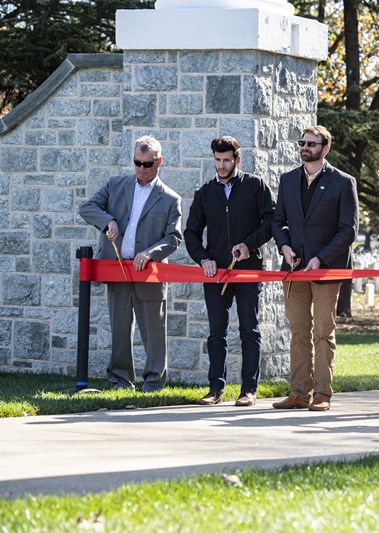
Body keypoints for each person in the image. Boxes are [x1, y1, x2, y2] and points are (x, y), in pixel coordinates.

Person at [79, 136, 182, 392]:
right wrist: (108, 221)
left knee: (154, 332)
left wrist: (150, 253)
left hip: (150, 272)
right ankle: (120, 382)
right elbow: (87, 207)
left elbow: (174, 238)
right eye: (137, 162)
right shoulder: (116, 185)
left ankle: (154, 385)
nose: (141, 168)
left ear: (159, 162)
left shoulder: (170, 198)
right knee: (120, 330)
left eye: (147, 164)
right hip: (117, 269)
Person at [272, 126, 359, 412]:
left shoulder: (343, 183)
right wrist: (284, 247)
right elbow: (278, 222)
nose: (305, 147)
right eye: (303, 143)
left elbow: (348, 231)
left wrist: (320, 258)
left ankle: (322, 393)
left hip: (325, 270)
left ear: (326, 148)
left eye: (312, 143)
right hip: (294, 268)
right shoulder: (287, 181)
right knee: (298, 331)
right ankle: (298, 392)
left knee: (323, 331)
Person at [184, 136, 275, 407]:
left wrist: (249, 245)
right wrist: (203, 259)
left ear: (238, 159)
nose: (221, 166)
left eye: (226, 160)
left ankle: (249, 390)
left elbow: (271, 220)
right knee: (217, 333)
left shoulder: (255, 186)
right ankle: (215, 389)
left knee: (249, 330)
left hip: (248, 271)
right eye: (217, 160)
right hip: (216, 273)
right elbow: (190, 232)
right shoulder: (204, 193)